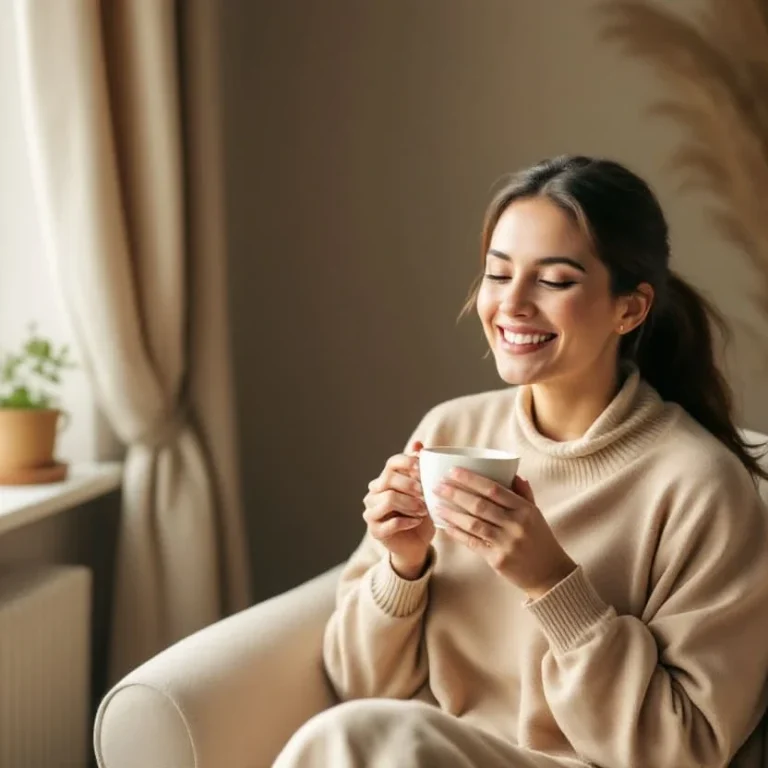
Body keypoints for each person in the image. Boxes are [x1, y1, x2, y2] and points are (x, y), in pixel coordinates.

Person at [273, 155, 768, 768]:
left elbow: (687, 749)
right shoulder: (450, 431)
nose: (513, 305)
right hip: (435, 752)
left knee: (352, 742)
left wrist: (552, 584)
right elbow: (360, 687)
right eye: (497, 275)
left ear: (631, 309)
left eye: (554, 281)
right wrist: (403, 565)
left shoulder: (701, 485)